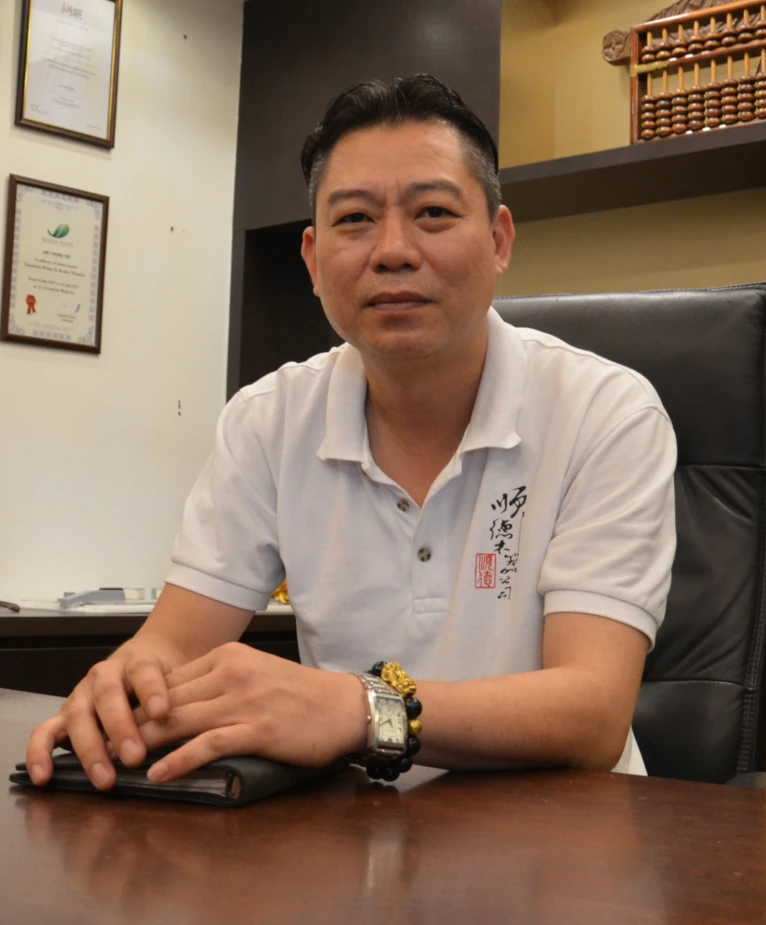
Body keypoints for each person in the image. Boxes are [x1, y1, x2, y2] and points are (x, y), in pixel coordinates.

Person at [27, 75, 676, 790]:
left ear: (498, 241)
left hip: (566, 851)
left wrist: (359, 707)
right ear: (312, 260)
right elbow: (173, 644)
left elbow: (592, 712)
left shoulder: (607, 412)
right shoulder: (267, 419)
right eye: (355, 220)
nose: (392, 250)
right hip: (354, 846)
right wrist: (125, 685)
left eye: (432, 212)